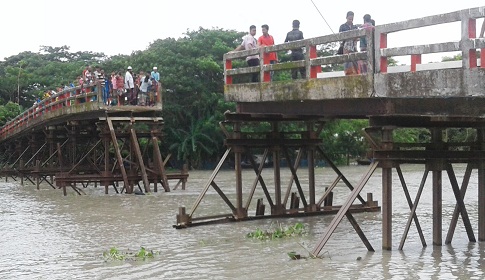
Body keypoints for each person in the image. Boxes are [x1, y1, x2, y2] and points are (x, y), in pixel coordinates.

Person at [339, 11, 359, 75]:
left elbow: (358, 37)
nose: (351, 20)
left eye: (352, 19)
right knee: (347, 63)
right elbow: (340, 37)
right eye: (349, 18)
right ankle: (347, 75)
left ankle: (356, 75)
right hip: (346, 47)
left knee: (355, 63)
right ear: (346, 17)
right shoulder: (342, 26)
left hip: (354, 47)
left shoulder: (355, 27)